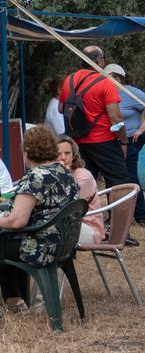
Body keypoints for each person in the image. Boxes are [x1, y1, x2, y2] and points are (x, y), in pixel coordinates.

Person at [0, 125, 79, 325]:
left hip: (39, 246)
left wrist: (0, 221)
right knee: (0, 241)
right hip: (62, 244)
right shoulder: (65, 173)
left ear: (27, 152)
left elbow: (18, 221)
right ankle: (14, 301)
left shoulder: (36, 177)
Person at [58, 46, 141, 222]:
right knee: (119, 183)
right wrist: (124, 143)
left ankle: (81, 224)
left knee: (83, 182)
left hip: (77, 142)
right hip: (104, 141)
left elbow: (61, 108)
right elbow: (116, 118)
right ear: (100, 61)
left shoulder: (69, 81)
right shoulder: (104, 82)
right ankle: (119, 227)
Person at [106, 64, 145, 218]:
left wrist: (142, 128)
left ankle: (140, 214)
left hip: (131, 138)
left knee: (130, 175)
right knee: (121, 175)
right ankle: (131, 212)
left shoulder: (131, 92)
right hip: (115, 139)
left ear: (118, 78)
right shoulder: (107, 93)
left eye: (110, 77)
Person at [58, 135, 103, 246]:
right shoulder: (52, 174)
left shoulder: (83, 176)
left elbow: (64, 205)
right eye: (58, 154)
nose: (63, 157)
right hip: (68, 224)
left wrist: (63, 175)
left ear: (73, 155)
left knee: (47, 234)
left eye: (67, 153)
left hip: (88, 228)